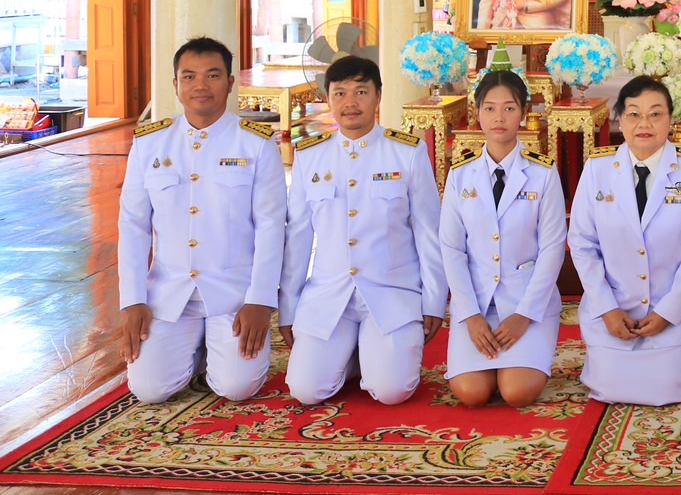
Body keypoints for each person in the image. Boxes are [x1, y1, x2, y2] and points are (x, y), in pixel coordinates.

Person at [117, 37, 286, 403]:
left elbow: (272, 225)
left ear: (229, 82)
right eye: (189, 76)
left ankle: (216, 347)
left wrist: (260, 300)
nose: (200, 85)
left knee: (236, 388)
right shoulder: (150, 144)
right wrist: (132, 300)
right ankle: (198, 352)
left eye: (212, 75)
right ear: (175, 85)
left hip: (234, 294)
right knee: (149, 390)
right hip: (169, 293)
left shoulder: (255, 143)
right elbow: (133, 224)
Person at [280, 56, 445, 405]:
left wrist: (433, 300)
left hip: (391, 293)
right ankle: (356, 354)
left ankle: (368, 352)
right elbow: (297, 238)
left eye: (360, 92)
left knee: (391, 392)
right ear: (328, 99)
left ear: (378, 96)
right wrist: (289, 308)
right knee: (306, 391)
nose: (350, 103)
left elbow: (429, 231)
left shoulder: (406, 152)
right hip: (329, 296)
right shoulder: (311, 155)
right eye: (339, 93)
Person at [570, 76, 681, 405]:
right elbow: (582, 244)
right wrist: (607, 308)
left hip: (673, 311)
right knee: (608, 389)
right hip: (613, 309)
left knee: (668, 389)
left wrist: (668, 311)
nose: (644, 124)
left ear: (670, 120)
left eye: (655, 114)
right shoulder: (597, 169)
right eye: (633, 114)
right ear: (619, 120)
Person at [441, 70, 565, 407]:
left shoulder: (543, 172)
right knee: (471, 394)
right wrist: (468, 313)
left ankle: (523, 354)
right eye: (490, 108)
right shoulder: (460, 173)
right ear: (477, 112)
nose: (499, 117)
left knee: (516, 393)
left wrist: (524, 314)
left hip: (526, 303)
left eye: (509, 108)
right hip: (477, 304)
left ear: (524, 113)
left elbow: (553, 248)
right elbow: (451, 248)